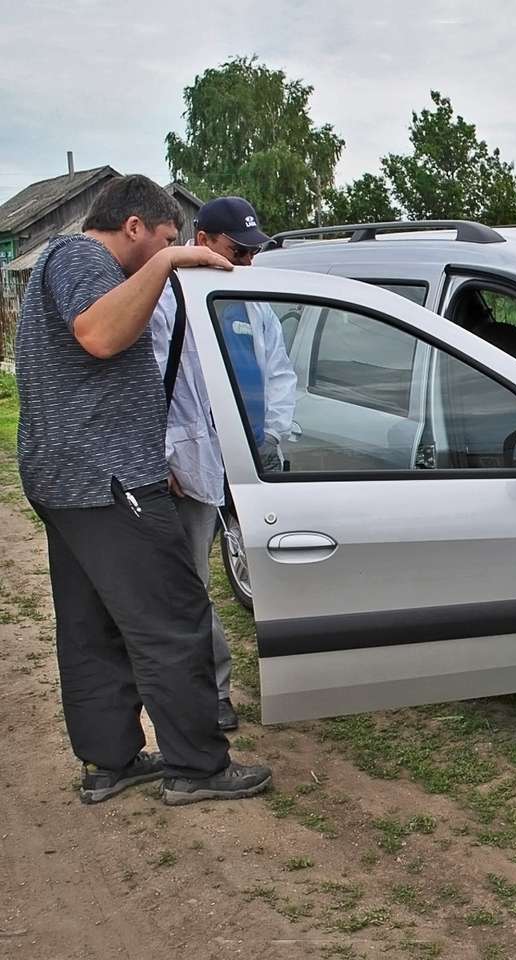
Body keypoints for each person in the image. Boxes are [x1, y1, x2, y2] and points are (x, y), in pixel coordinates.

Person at [14, 175, 273, 805]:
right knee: (173, 620)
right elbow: (100, 336)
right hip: (110, 481)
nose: (169, 247)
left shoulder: (64, 261)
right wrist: (167, 263)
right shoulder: (83, 257)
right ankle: (198, 767)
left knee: (92, 626)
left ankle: (111, 762)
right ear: (133, 227)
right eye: (163, 237)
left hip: (69, 479)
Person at [150, 197, 296, 732]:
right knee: (191, 583)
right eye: (238, 251)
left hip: (249, 462)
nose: (247, 262)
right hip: (186, 465)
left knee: (276, 569)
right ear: (203, 241)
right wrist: (163, 454)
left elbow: (278, 372)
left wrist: (273, 437)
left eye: (253, 252)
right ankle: (212, 693)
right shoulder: (166, 301)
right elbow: (152, 384)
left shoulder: (250, 303)